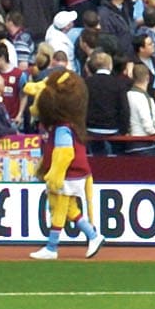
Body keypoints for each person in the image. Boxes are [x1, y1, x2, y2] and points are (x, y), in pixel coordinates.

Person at [28, 66, 106, 259]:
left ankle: (52, 247)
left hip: (69, 174)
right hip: (74, 173)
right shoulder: (65, 127)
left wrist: (54, 174)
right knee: (71, 209)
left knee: (59, 208)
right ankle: (93, 235)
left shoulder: (62, 129)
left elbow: (64, 154)